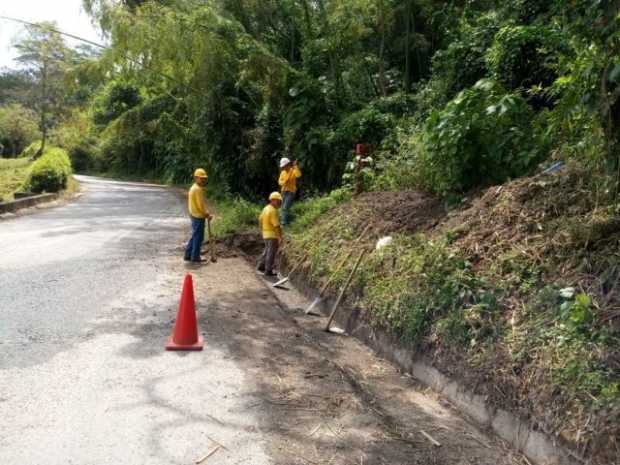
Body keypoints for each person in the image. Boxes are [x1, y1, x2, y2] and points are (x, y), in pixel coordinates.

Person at [184, 168, 212, 263]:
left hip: (194, 214)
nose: (203, 180)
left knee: (195, 235)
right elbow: (200, 205)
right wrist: (207, 214)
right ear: (196, 178)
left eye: (204, 178)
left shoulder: (193, 187)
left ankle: (188, 254)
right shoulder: (198, 189)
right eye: (201, 178)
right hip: (198, 216)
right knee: (198, 238)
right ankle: (195, 257)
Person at [257, 192, 283, 277]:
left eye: (280, 201)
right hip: (272, 235)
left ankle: (261, 266)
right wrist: (280, 237)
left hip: (266, 234)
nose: (279, 202)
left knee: (267, 251)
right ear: (272, 200)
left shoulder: (266, 208)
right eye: (278, 200)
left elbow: (260, 219)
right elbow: (276, 226)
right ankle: (268, 270)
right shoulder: (273, 211)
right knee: (271, 253)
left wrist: (262, 230)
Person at [278, 157, 301, 225]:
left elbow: (298, 175)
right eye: (282, 166)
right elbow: (279, 182)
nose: (283, 167)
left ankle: (284, 223)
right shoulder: (282, 173)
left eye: (284, 166)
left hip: (291, 192)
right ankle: (284, 221)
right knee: (282, 207)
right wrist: (285, 181)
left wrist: (295, 166)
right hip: (283, 191)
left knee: (285, 207)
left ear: (287, 164)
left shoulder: (293, 171)